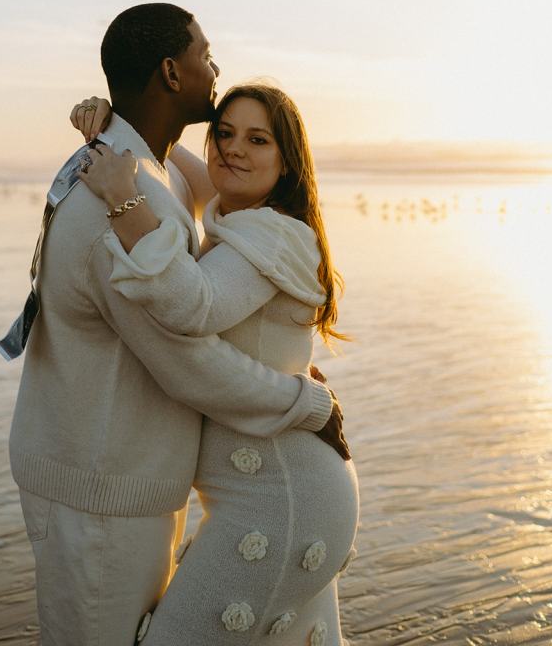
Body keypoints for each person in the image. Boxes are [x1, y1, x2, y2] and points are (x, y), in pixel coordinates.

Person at [7, 3, 346, 646]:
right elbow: (189, 357)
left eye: (257, 138)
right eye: (205, 54)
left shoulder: (149, 178)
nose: (214, 67)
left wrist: (108, 122)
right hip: (101, 493)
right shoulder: (121, 203)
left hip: (128, 485)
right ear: (171, 70)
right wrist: (307, 400)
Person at [74, 81, 359, 645]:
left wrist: (123, 202)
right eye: (224, 134)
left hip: (280, 498)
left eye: (258, 139)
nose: (234, 149)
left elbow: (192, 305)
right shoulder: (242, 205)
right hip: (277, 488)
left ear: (287, 162)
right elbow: (168, 155)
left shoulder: (270, 234)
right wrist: (116, 120)